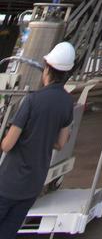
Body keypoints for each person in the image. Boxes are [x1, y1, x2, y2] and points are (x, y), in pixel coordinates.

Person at [0, 41, 76, 237]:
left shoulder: (32, 100)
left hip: (9, 182)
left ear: (47, 69)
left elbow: (8, 145)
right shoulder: (68, 102)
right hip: (33, 184)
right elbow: (60, 142)